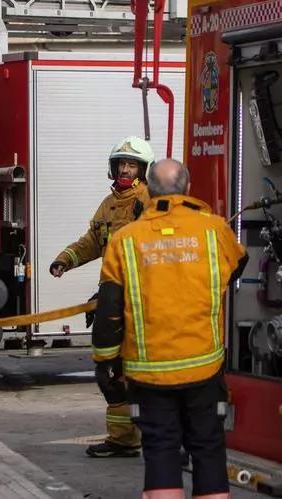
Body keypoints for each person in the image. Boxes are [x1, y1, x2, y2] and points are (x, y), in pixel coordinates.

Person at [92, 159, 248, 499]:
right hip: (203, 365)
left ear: (149, 192)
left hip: (149, 373)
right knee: (208, 448)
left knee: (161, 449)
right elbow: (238, 265)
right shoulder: (215, 230)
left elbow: (107, 313)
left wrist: (105, 363)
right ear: (188, 188)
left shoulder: (125, 239)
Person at [49, 136, 154, 458]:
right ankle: (123, 439)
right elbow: (94, 241)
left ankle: (150, 436)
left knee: (137, 373)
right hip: (112, 297)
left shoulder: (148, 202)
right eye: (121, 164)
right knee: (110, 372)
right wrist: (65, 259)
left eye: (132, 164)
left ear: (143, 170)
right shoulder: (109, 204)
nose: (125, 169)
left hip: (139, 303)